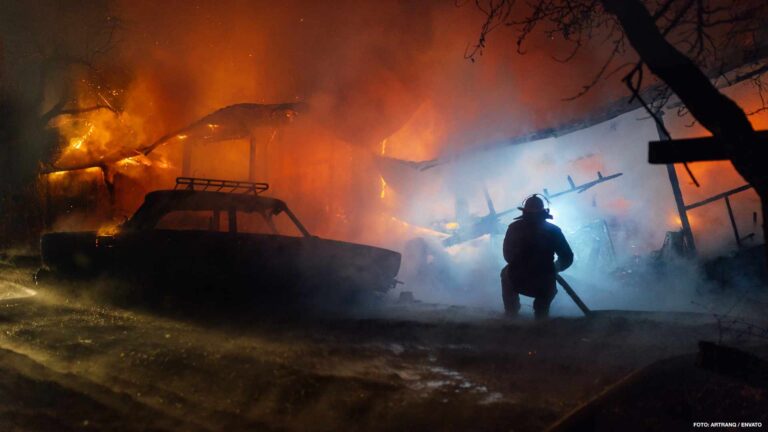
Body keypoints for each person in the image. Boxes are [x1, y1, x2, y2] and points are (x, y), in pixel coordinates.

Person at [500, 194, 573, 319]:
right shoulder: (553, 230)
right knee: (545, 296)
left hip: (519, 279)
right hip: (543, 282)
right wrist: (555, 268)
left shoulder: (514, 228)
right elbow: (567, 257)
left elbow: (507, 255)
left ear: (525, 211)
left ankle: (511, 314)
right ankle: (541, 316)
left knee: (505, 273)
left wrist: (519, 264)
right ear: (543, 211)